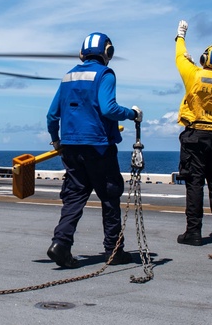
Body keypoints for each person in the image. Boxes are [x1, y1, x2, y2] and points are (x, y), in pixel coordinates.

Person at [45, 32, 143, 268]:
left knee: (74, 197)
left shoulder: (68, 77)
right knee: (109, 197)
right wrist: (132, 114)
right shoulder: (105, 74)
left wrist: (56, 140)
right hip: (98, 147)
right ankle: (114, 250)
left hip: (70, 147)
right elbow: (109, 109)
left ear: (82, 53)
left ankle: (60, 244)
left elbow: (51, 115)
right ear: (107, 53)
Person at [173, 20, 212, 246]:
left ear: (203, 59)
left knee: (194, 183)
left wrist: (180, 36)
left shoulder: (195, 75)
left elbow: (180, 58)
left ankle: (194, 232)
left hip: (195, 136)